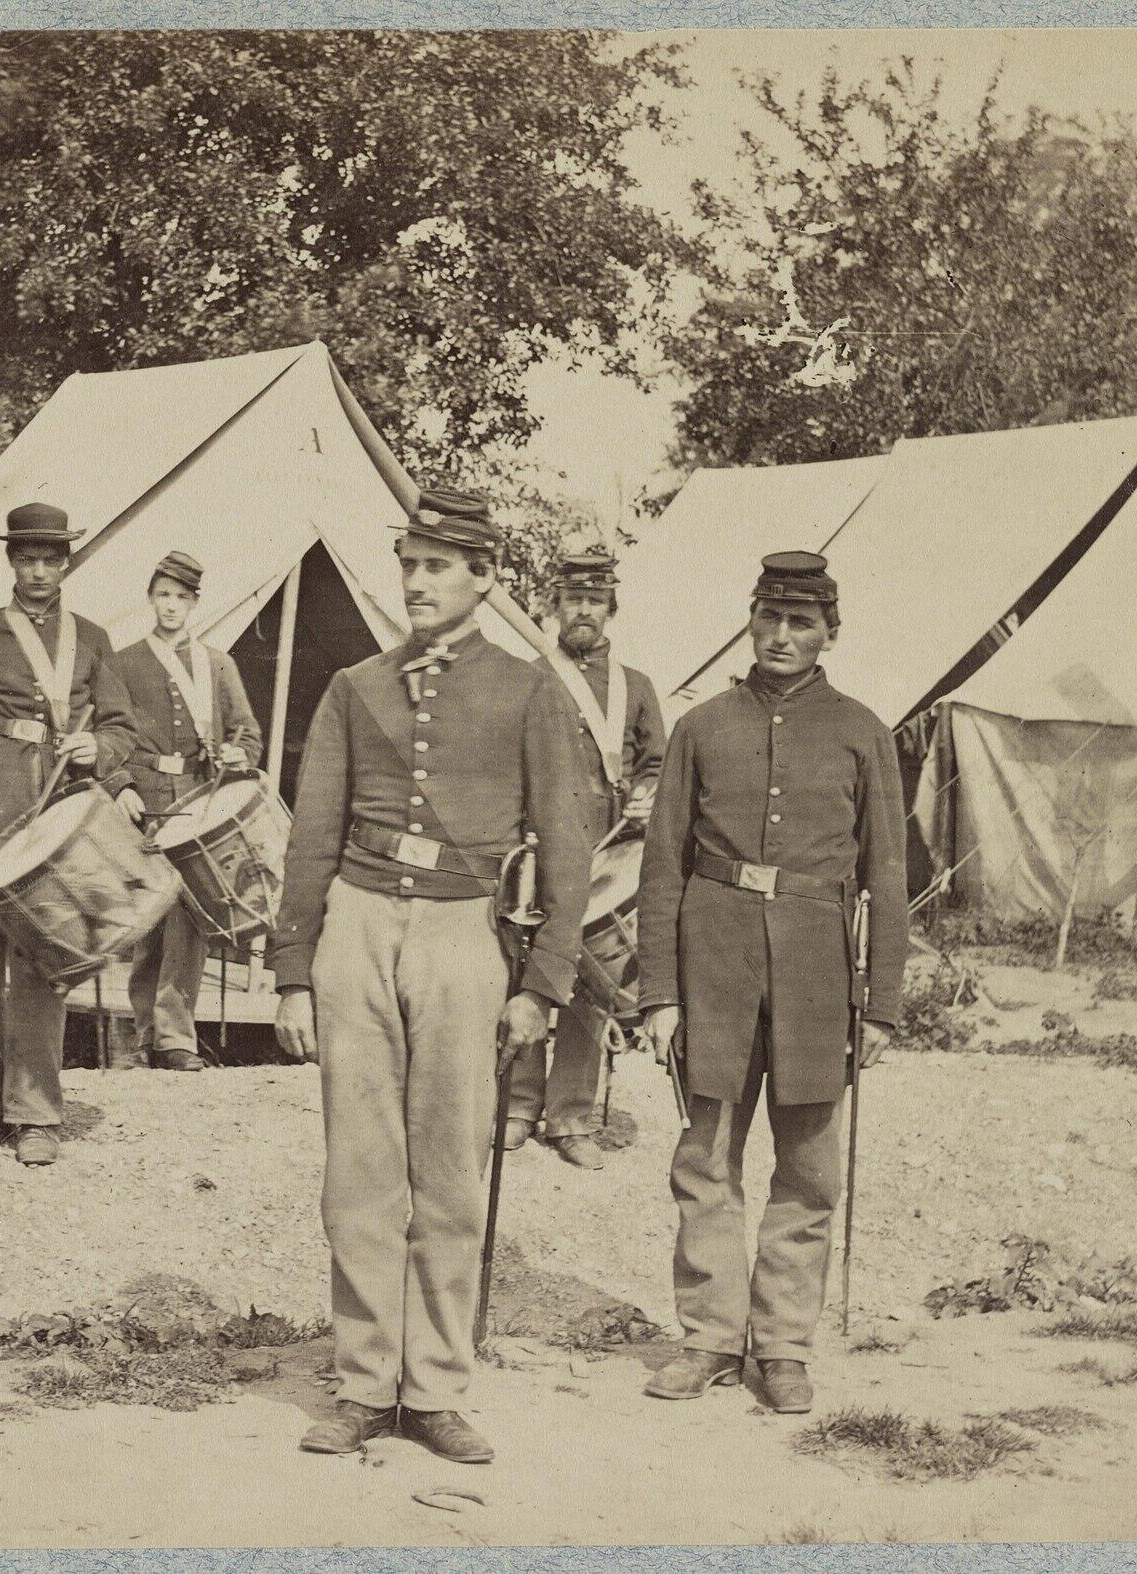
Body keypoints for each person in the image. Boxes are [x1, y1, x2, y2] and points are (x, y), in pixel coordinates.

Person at [272, 488, 588, 1465]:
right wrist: (293, 970)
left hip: (462, 931)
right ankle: (365, 1383)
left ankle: (436, 1386)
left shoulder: (530, 689)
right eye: (408, 561)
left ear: (483, 576)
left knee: (450, 1169)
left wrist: (542, 981)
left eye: (437, 565)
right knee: (359, 1171)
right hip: (358, 928)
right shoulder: (353, 686)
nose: (416, 579)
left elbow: (568, 843)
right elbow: (311, 833)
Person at [633, 551, 907, 1418]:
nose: (782, 636)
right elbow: (661, 866)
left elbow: (888, 876)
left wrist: (885, 1003)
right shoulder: (702, 727)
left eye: (802, 623)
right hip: (712, 959)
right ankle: (711, 1336)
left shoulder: (864, 732)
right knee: (706, 1156)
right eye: (769, 619)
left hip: (819, 967)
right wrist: (660, 994)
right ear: (749, 620)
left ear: (831, 632)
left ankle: (783, 1345)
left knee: (809, 1163)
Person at [0, 501, 140, 1167]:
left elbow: (120, 725)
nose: (39, 571)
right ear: (11, 562)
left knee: (47, 961)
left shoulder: (92, 638)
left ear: (66, 564)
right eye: (27, 559)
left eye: (51, 560)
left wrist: (99, 751)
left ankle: (36, 1114)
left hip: (60, 809)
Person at [510, 546, 666, 1168]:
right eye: (573, 599)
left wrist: (648, 798)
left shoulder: (638, 687)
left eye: (595, 602)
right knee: (529, 973)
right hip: (536, 853)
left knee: (593, 982)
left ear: (610, 610)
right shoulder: (528, 676)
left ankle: (572, 1116)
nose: (583, 611)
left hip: (606, 857)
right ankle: (518, 1105)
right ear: (554, 606)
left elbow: (659, 764)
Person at [106, 550, 263, 1071]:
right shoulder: (124, 662)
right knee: (149, 916)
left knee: (192, 920)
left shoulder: (218, 665)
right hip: (146, 801)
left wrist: (240, 753)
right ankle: (143, 1033)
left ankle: (175, 1037)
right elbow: (110, 733)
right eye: (163, 595)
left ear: (195, 603)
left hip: (200, 801)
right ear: (150, 598)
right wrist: (121, 783)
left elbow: (248, 732)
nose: (171, 606)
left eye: (181, 597)